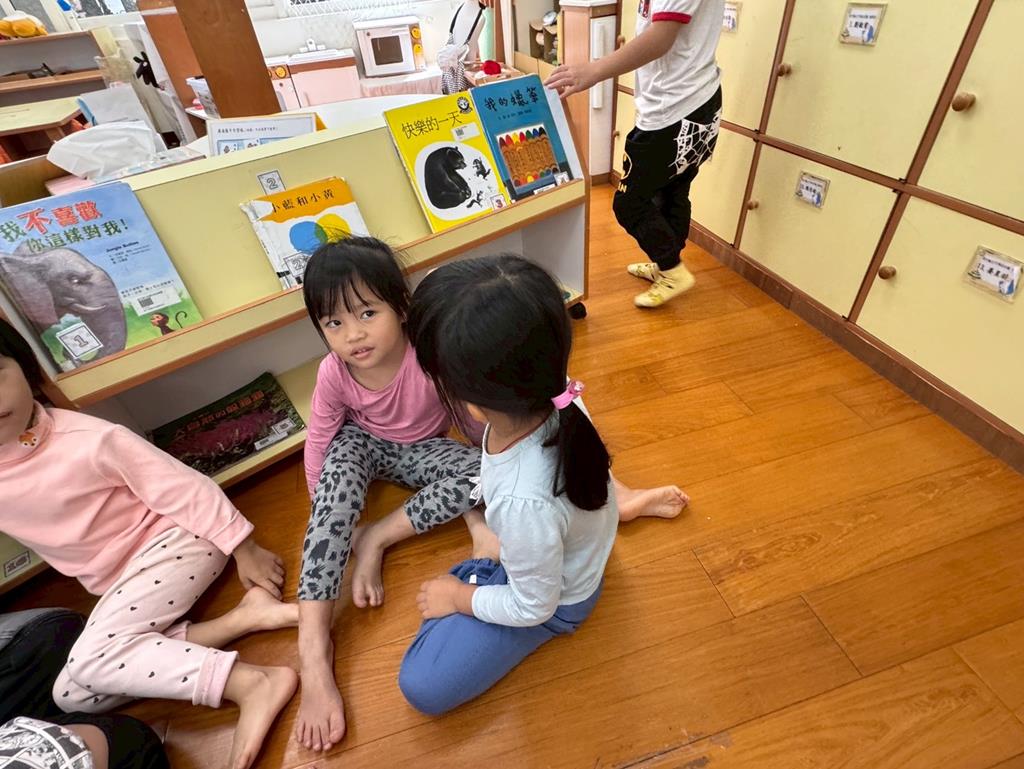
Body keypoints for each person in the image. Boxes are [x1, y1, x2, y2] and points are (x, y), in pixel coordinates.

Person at [0, 318, 298, 769]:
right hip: (124, 581)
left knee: (92, 661)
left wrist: (244, 547)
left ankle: (250, 682)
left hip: (179, 538)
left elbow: (182, 487)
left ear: (25, 368)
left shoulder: (88, 440)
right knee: (70, 693)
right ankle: (242, 619)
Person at [397, 254, 618, 714]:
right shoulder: (556, 391)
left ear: (473, 402)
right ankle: (491, 555)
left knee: (422, 684)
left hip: (558, 603)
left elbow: (534, 607)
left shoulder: (523, 501)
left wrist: (459, 597)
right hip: (571, 555)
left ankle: (482, 561)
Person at [293, 237, 485, 753]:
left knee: (487, 471)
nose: (353, 334)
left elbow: (470, 420)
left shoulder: (429, 350)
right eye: (333, 323)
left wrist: (480, 494)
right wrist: (328, 512)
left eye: (367, 313)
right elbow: (320, 439)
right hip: (361, 445)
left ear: (401, 307)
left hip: (424, 449)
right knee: (332, 498)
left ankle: (376, 537)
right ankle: (313, 650)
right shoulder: (334, 372)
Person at [545, 0, 724, 308]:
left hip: (673, 110)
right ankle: (666, 265)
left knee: (629, 203)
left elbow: (660, 37)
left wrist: (594, 70)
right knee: (673, 191)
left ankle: (672, 271)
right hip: (698, 99)